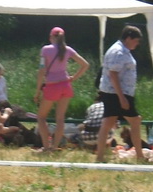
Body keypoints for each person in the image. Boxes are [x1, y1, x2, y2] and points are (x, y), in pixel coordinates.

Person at [33, 27, 90, 152]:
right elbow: (85, 64)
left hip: (52, 86)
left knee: (41, 117)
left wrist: (37, 91)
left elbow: (41, 71)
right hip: (66, 85)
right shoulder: (68, 49)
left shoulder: (45, 50)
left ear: (51, 37)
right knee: (60, 118)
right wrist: (74, 77)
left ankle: (46, 147)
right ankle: (54, 147)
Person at [96, 24, 144, 163]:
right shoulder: (119, 52)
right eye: (136, 40)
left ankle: (100, 157)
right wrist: (122, 97)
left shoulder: (122, 50)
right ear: (128, 38)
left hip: (116, 92)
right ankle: (140, 156)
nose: (137, 44)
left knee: (108, 122)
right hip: (117, 93)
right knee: (135, 120)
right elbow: (113, 74)